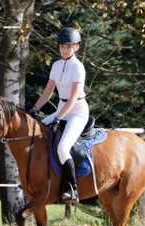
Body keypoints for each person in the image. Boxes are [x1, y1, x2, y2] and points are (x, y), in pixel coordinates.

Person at [29, 27, 89, 204]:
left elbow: (72, 98)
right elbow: (47, 93)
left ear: (76, 47)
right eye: (62, 46)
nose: (64, 49)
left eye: (68, 46)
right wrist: (34, 108)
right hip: (62, 109)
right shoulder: (56, 65)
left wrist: (57, 119)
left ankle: (72, 189)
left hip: (77, 111)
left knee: (63, 148)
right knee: (37, 134)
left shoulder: (78, 68)